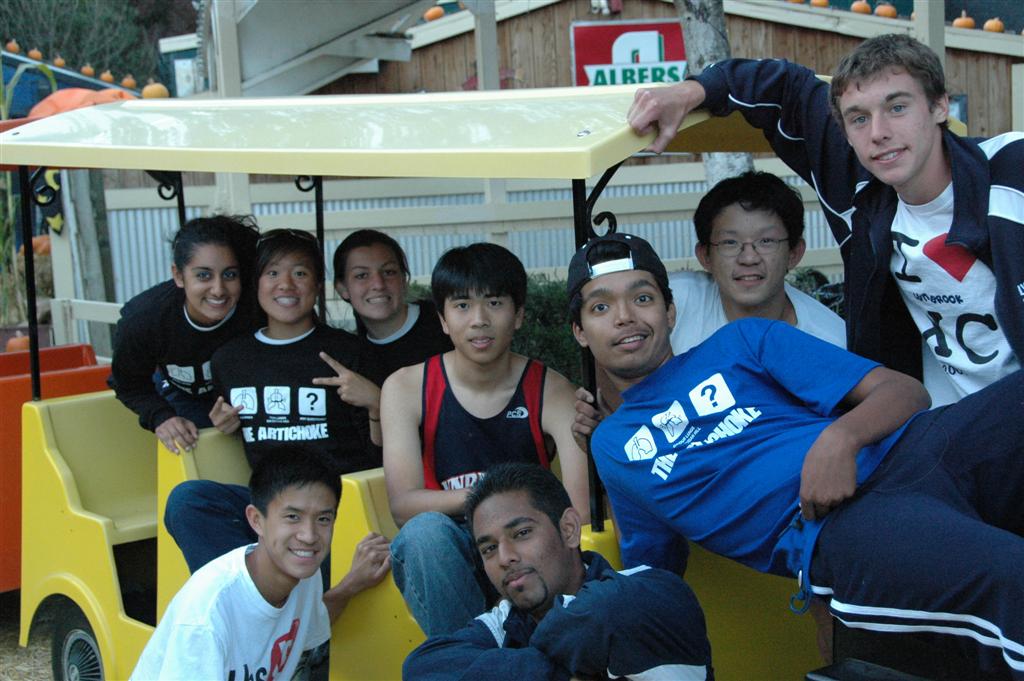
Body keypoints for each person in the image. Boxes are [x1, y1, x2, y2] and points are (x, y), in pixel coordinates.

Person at [568, 232, 1024, 677]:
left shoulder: (742, 341)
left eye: (642, 298)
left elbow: (905, 392)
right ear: (580, 332)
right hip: (843, 522)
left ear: (669, 312)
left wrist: (840, 439)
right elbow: (654, 576)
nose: (625, 317)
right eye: (601, 307)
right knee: (1010, 572)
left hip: (919, 446)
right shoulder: (613, 446)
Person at [627, 33, 1024, 407]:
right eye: (859, 118)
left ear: (939, 106)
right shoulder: (862, 192)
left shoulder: (1011, 169)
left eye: (897, 107)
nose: (879, 132)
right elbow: (788, 87)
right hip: (943, 418)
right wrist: (690, 91)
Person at [381, 243, 590, 636]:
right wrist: (488, 499)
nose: (479, 320)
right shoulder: (406, 387)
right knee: (424, 534)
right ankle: (472, 658)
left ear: (519, 314)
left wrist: (512, 519)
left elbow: (578, 513)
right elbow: (404, 506)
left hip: (527, 539)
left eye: (494, 303)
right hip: (451, 547)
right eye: (462, 306)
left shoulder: (551, 390)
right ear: (443, 319)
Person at [165, 229, 381, 573]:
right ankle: (249, 592)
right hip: (268, 508)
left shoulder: (348, 352)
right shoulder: (230, 360)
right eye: (273, 273)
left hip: (333, 507)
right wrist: (223, 424)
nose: (286, 284)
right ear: (256, 283)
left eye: (300, 273)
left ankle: (273, 591)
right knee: (188, 500)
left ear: (317, 284)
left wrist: (376, 403)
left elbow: (378, 456)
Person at [402, 462, 713, 681]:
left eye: (522, 533)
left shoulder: (646, 591)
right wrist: (557, 671)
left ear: (569, 529)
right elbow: (423, 668)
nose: (505, 558)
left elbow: (598, 615)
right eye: (489, 549)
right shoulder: (507, 621)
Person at [132, 453, 391, 681]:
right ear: (256, 520)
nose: (309, 535)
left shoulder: (304, 574)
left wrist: (352, 584)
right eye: (293, 517)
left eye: (323, 519)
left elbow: (311, 624)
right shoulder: (206, 617)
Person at [109, 214, 260, 454]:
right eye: (203, 275)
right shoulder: (144, 319)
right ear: (179, 276)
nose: (218, 289)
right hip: (181, 395)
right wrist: (162, 417)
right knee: (188, 441)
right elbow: (128, 384)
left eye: (230, 275)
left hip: (246, 398)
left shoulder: (258, 308)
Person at [673, 170, 845, 353]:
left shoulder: (830, 343)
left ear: (794, 253)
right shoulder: (672, 304)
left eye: (766, 241)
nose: (749, 258)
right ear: (705, 256)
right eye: (730, 242)